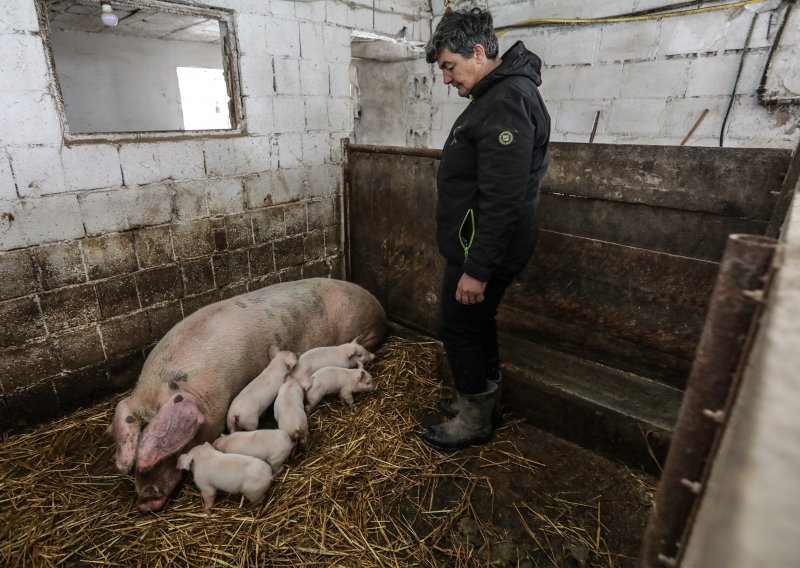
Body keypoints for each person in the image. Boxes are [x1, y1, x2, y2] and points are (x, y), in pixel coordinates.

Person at [422, 7, 551, 451]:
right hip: (480, 242)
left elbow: (503, 197)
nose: (447, 79)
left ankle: (474, 419)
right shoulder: (496, 96)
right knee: (477, 323)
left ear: (477, 52)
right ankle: (482, 401)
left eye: (449, 67)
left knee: (458, 327)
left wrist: (477, 269)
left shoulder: (506, 100)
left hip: (484, 248)